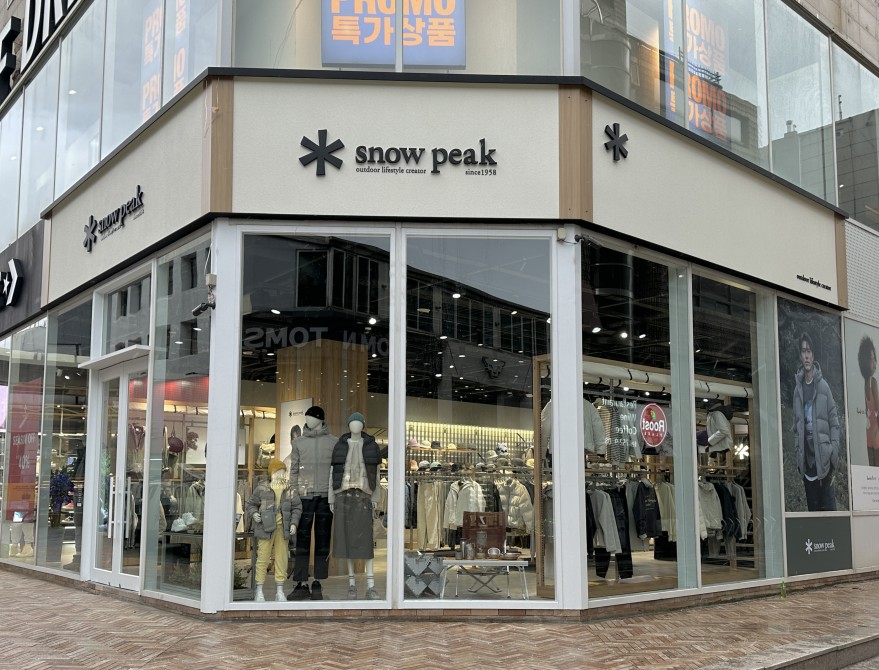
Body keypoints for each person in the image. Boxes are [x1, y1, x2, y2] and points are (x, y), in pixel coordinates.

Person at [329, 412, 382, 600]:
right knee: (347, 541)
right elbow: (333, 473)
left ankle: (371, 585)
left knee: (366, 542)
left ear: (363, 425)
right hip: (343, 496)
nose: (356, 426)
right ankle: (351, 584)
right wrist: (331, 498)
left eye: (359, 423)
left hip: (363, 496)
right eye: (353, 423)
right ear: (349, 425)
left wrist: (376, 496)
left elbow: (376, 474)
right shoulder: (340, 445)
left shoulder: (371, 446)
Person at [286, 406, 337, 601]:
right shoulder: (298, 443)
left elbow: (337, 470)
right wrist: (293, 493)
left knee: (323, 539)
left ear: (320, 419)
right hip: (304, 496)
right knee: (302, 539)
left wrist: (334, 495)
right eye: (306, 417)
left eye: (310, 417)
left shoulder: (333, 442)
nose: (307, 420)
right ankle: (301, 583)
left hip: (325, 496)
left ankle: (318, 582)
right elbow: (294, 470)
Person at [792, 332, 840, 511]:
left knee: (830, 513)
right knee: (813, 514)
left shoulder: (823, 386)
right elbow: (796, 427)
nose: (806, 355)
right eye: (803, 351)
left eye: (809, 351)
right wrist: (798, 453)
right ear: (800, 355)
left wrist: (832, 452)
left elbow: (834, 423)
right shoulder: (797, 390)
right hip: (807, 464)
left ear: (813, 356)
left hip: (824, 461)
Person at [246, 459, 302, 602]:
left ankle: (280, 591)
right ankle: (259, 590)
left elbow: (297, 508)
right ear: (272, 472)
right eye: (278, 472)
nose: (281, 475)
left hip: (283, 530)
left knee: (281, 559)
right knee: (262, 558)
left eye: (283, 472)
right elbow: (251, 504)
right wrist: (254, 513)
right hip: (265, 528)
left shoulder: (290, 490)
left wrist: (294, 523)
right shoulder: (262, 488)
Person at [858, 335, 879, 467]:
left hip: (869, 431)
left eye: (874, 358)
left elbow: (867, 411)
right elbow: (878, 410)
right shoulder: (873, 382)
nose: (875, 362)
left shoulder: (865, 383)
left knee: (872, 466)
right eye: (872, 359)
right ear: (866, 362)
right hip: (876, 430)